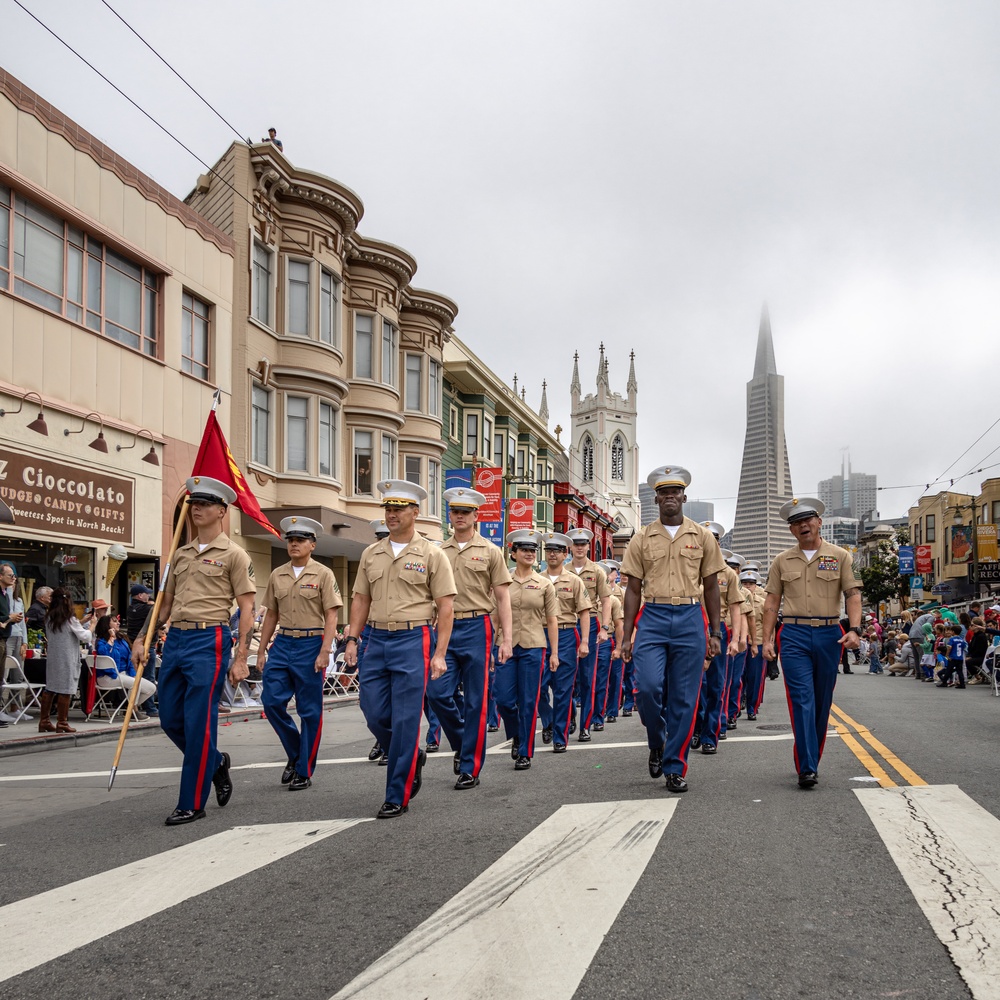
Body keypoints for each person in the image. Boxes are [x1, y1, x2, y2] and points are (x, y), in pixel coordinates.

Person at [131, 476, 256, 826]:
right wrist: (142, 638)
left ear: (221, 510)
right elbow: (164, 604)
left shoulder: (234, 554)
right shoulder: (180, 554)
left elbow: (247, 608)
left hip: (209, 640)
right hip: (175, 641)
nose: (196, 507)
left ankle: (191, 802)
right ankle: (215, 762)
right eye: (192, 502)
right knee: (170, 719)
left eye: (204, 503)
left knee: (198, 722)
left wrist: (241, 656)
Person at [344, 479, 456, 819]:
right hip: (375, 640)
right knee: (372, 709)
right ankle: (411, 756)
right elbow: (360, 599)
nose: (391, 515)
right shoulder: (370, 553)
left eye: (398, 509)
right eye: (388, 509)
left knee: (407, 719)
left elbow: (446, 607)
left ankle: (397, 794)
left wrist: (439, 654)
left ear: (415, 512)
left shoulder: (432, 554)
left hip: (413, 639)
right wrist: (352, 638)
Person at [620, 466, 724, 793]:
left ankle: (675, 767)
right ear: (656, 498)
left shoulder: (702, 537)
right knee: (648, 688)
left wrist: (716, 633)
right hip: (652, 616)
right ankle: (657, 739)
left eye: (674, 492)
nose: (669, 497)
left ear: (684, 497)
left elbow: (711, 587)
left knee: (684, 698)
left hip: (690, 617)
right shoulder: (641, 537)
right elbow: (633, 589)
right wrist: (626, 635)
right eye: (663, 493)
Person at [762, 497, 862, 789]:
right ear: (791, 530)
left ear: (819, 522)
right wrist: (767, 639)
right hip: (793, 635)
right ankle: (807, 766)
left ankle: (811, 758)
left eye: (808, 520)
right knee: (802, 699)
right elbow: (771, 602)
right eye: (796, 523)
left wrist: (854, 629)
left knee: (821, 701)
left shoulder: (841, 556)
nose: (803, 526)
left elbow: (853, 594)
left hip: (830, 633)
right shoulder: (782, 560)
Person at [427, 487, 512, 790]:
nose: (459, 516)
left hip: (478, 628)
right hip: (445, 630)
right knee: (436, 693)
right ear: (449, 515)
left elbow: (503, 598)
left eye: (465, 511)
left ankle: (469, 768)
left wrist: (505, 639)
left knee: (476, 701)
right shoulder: (437, 551)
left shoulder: (490, 551)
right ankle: (463, 743)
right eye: (454, 511)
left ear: (476, 515)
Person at [257, 517, 342, 791]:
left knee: (309, 711)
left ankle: (304, 769)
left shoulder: (323, 574)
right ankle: (295, 754)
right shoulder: (277, 574)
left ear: (312, 545)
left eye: (301, 539)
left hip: (311, 643)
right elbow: (272, 613)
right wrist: (261, 649)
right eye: (291, 539)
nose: (294, 543)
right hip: (282, 644)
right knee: (271, 703)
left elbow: (332, 615)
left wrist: (325, 650)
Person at [496, 530, 559, 768]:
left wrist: (554, 653)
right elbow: (495, 616)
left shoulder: (544, 584)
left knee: (529, 700)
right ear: (513, 553)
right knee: (503, 699)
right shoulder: (502, 582)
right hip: (506, 646)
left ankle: (525, 751)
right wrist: (493, 645)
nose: (530, 554)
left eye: (533, 550)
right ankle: (517, 733)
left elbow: (551, 620)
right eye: (524, 550)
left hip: (534, 647)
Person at [692, 533, 746, 753]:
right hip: (693, 629)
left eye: (713, 540)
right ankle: (696, 727)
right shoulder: (690, 568)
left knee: (715, 685)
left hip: (718, 630)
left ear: (718, 543)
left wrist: (735, 639)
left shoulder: (727, 574)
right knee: (694, 685)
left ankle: (709, 735)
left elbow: (735, 607)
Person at [537, 532, 590, 752]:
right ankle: (548, 719)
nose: (552, 554)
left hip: (567, 634)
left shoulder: (574, 581)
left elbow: (585, 612)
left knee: (562, 689)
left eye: (557, 551)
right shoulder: (537, 579)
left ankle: (560, 736)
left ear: (564, 554)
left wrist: (585, 641)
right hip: (539, 636)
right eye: (549, 550)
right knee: (537, 687)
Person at [565, 527, 612, 742]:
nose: (580, 548)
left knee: (587, 677)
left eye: (583, 544)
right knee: (566, 678)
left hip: (591, 623)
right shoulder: (563, 570)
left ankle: (586, 724)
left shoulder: (597, 571)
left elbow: (606, 600)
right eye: (576, 544)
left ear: (588, 547)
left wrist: (604, 628)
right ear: (570, 547)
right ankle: (570, 716)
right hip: (565, 624)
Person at [40, 588, 97, 733]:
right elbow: (84, 636)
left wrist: (82, 621)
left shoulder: (49, 617)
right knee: (66, 689)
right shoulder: (69, 618)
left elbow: (68, 630)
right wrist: (92, 626)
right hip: (67, 658)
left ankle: (44, 720)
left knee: (50, 688)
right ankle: (62, 722)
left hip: (54, 657)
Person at [94, 615, 155, 716]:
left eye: (118, 621)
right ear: (107, 625)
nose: (118, 623)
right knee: (135, 684)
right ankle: (133, 711)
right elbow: (105, 655)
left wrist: (133, 674)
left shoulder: (122, 640)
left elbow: (130, 658)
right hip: (109, 676)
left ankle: (129, 707)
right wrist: (111, 640)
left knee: (151, 688)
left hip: (124, 674)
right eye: (114, 621)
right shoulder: (101, 641)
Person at [740, 569, 767, 719]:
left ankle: (752, 708)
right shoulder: (736, 600)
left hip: (757, 643)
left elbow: (768, 625)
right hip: (741, 642)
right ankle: (736, 707)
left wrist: (768, 643)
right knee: (738, 677)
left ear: (756, 586)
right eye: (745, 583)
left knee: (755, 677)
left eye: (751, 584)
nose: (748, 586)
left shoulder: (762, 603)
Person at [937, 624, 968, 688]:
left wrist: (947, 655)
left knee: (949, 670)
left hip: (953, 657)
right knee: (959, 671)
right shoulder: (962, 640)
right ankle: (962, 683)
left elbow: (949, 647)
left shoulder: (952, 639)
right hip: (960, 657)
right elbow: (964, 647)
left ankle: (944, 682)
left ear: (953, 632)